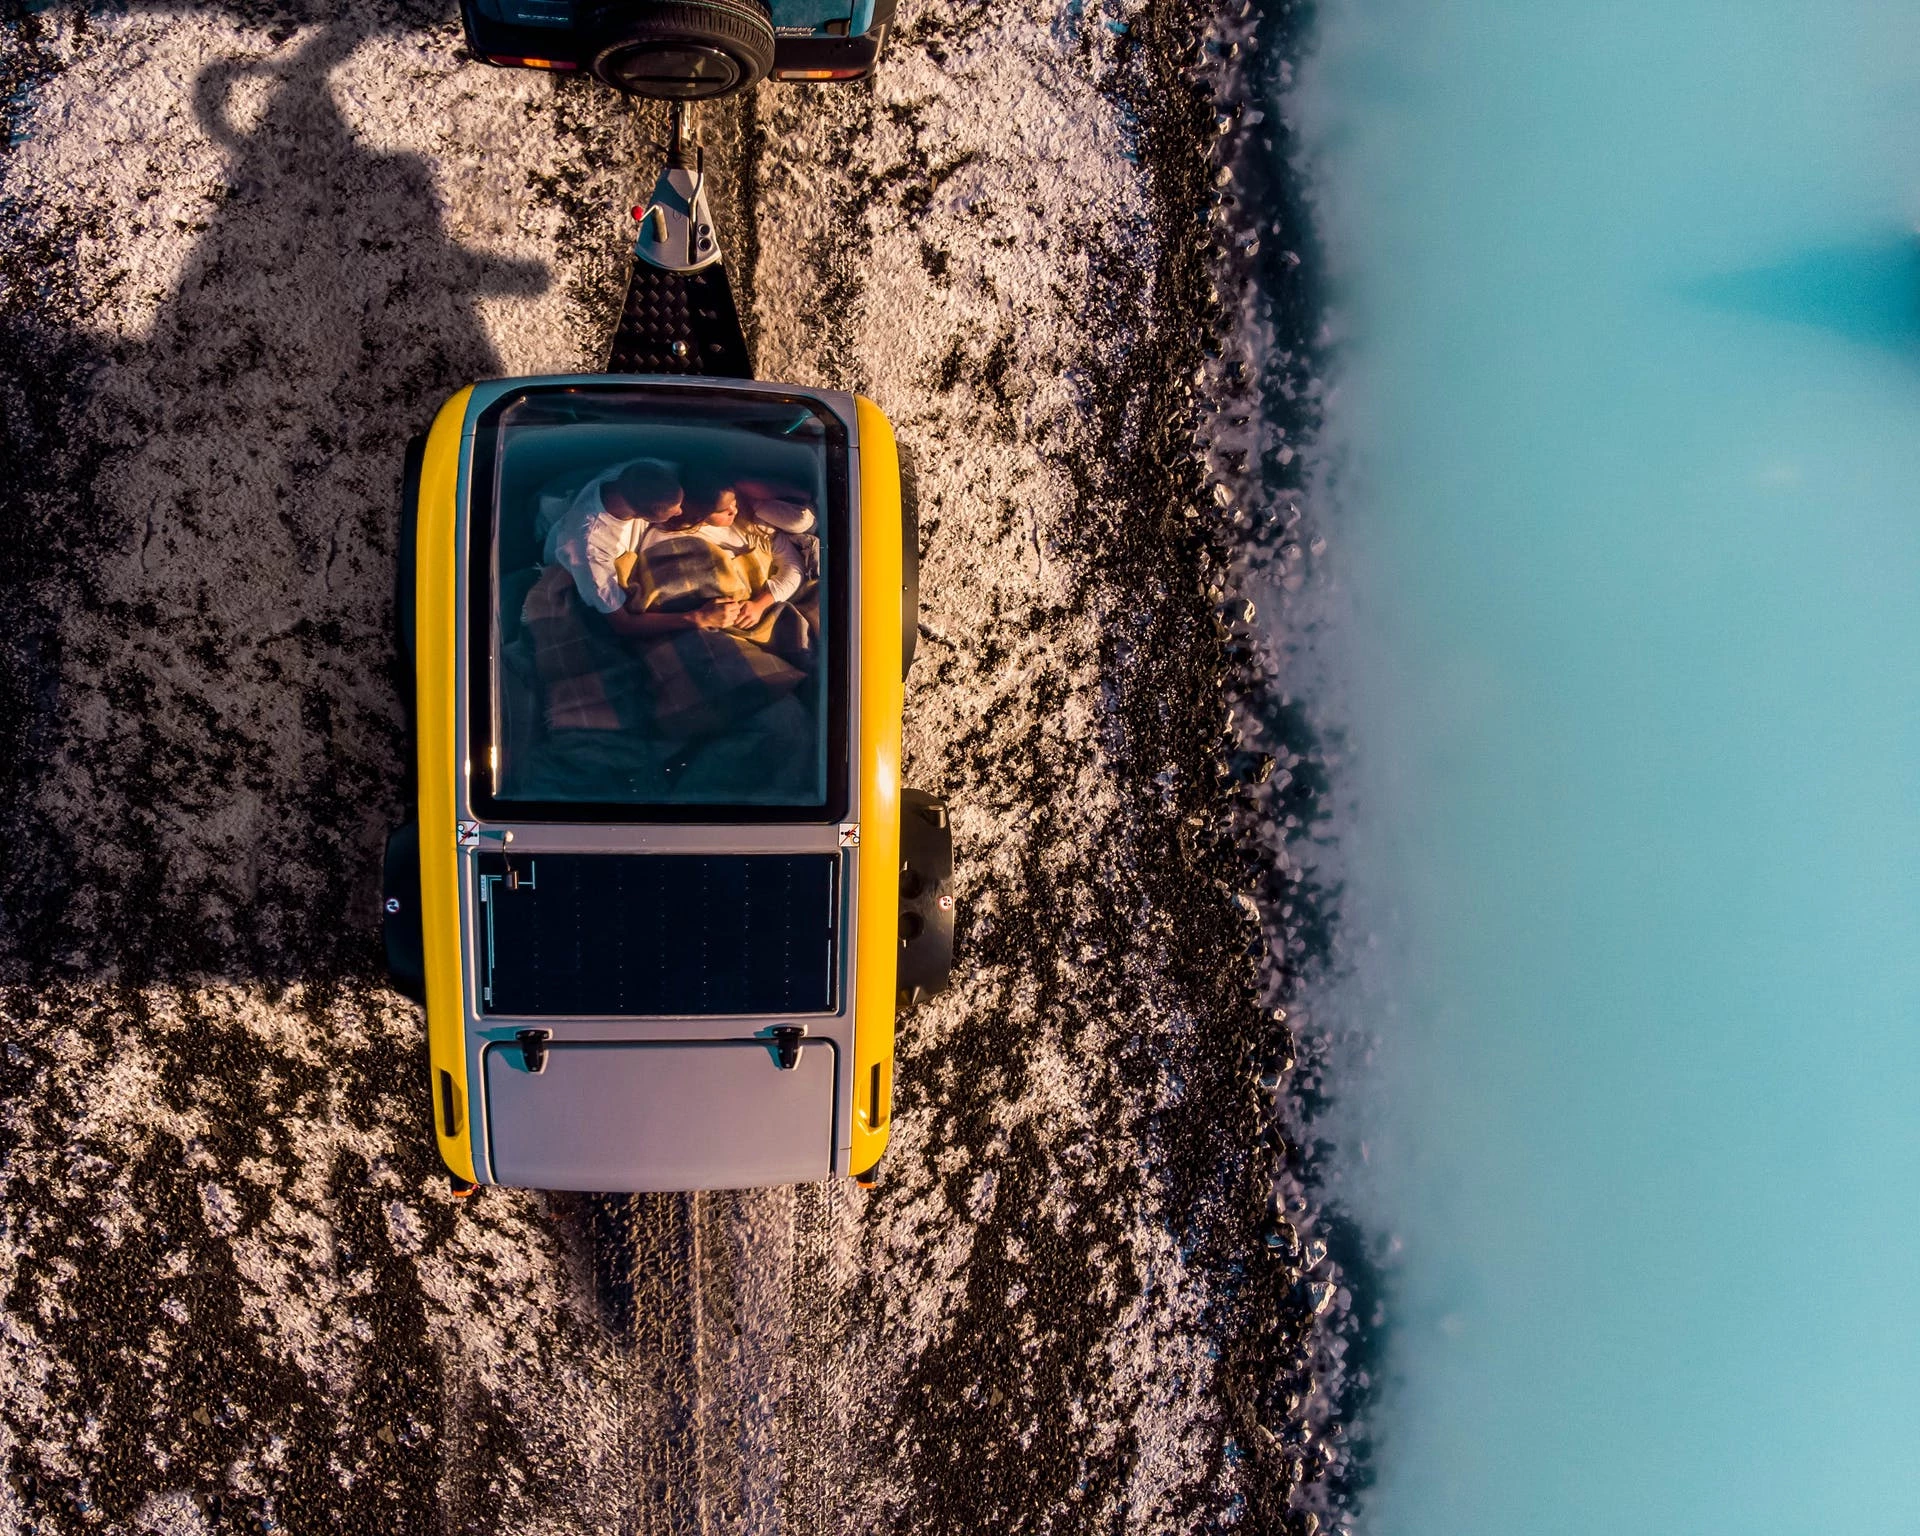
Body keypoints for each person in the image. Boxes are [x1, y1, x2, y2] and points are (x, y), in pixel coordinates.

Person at [543, 457, 684, 613]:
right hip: (571, 564)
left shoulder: (637, 474)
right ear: (639, 515)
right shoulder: (592, 548)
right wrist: (697, 617)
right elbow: (621, 621)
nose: (680, 511)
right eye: (673, 511)